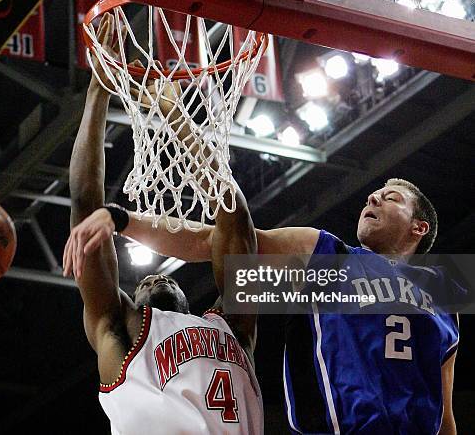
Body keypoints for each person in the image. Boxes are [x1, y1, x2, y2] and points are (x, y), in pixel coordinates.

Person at [67, 167, 460, 433]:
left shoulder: (446, 297)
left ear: (418, 227)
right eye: (372, 194)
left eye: (389, 198)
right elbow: (215, 239)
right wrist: (123, 221)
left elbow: (444, 415)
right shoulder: (329, 255)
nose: (373, 198)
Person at [64, 13, 263, 435]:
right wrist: (99, 89)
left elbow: (234, 213)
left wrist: (176, 116)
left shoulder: (234, 327)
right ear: (130, 299)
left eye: (154, 278)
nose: (156, 277)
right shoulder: (118, 331)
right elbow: (84, 201)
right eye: (144, 282)